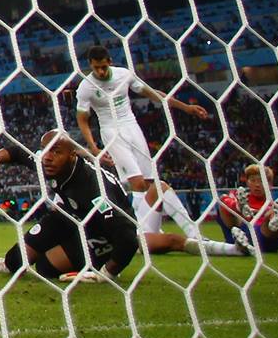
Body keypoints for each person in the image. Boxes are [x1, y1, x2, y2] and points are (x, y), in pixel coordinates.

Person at [0, 130, 139, 281]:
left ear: (72, 155)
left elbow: (129, 238)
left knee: (45, 267)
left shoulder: (95, 190)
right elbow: (16, 152)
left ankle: (95, 265)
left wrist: (106, 274)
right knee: (15, 260)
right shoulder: (46, 162)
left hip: (101, 233)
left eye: (56, 151)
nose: (47, 157)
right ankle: (11, 262)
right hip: (72, 216)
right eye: (45, 150)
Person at [75, 46, 208, 241]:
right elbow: (82, 119)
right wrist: (93, 146)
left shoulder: (124, 75)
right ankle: (137, 231)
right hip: (111, 131)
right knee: (136, 182)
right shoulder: (86, 87)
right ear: (90, 66)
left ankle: (161, 230)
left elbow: (154, 94)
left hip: (132, 126)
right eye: (96, 68)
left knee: (151, 183)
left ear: (110, 61)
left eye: (103, 67)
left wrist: (186, 108)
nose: (101, 72)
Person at [217, 165, 278, 253]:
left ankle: (269, 225)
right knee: (224, 201)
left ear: (270, 184)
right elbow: (224, 205)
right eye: (253, 180)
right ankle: (239, 209)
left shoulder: (277, 207)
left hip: (264, 240)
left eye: (261, 181)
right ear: (247, 182)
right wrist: (239, 207)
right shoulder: (238, 196)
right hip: (238, 230)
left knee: (271, 216)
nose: (257, 184)